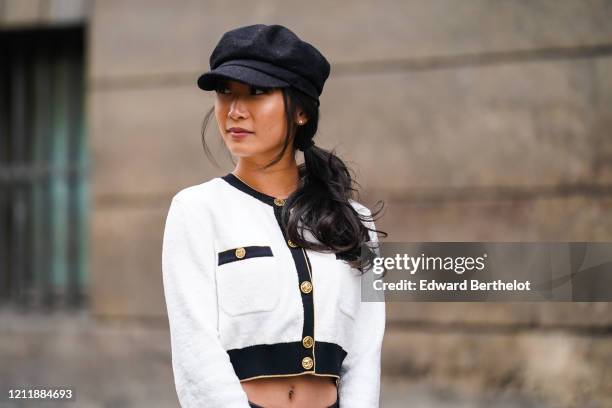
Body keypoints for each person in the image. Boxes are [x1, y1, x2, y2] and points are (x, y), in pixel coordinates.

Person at [162, 24, 387, 408]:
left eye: (257, 92)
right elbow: (195, 351)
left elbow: (366, 351)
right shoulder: (196, 209)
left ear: (300, 111)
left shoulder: (355, 221)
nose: (234, 110)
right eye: (225, 92)